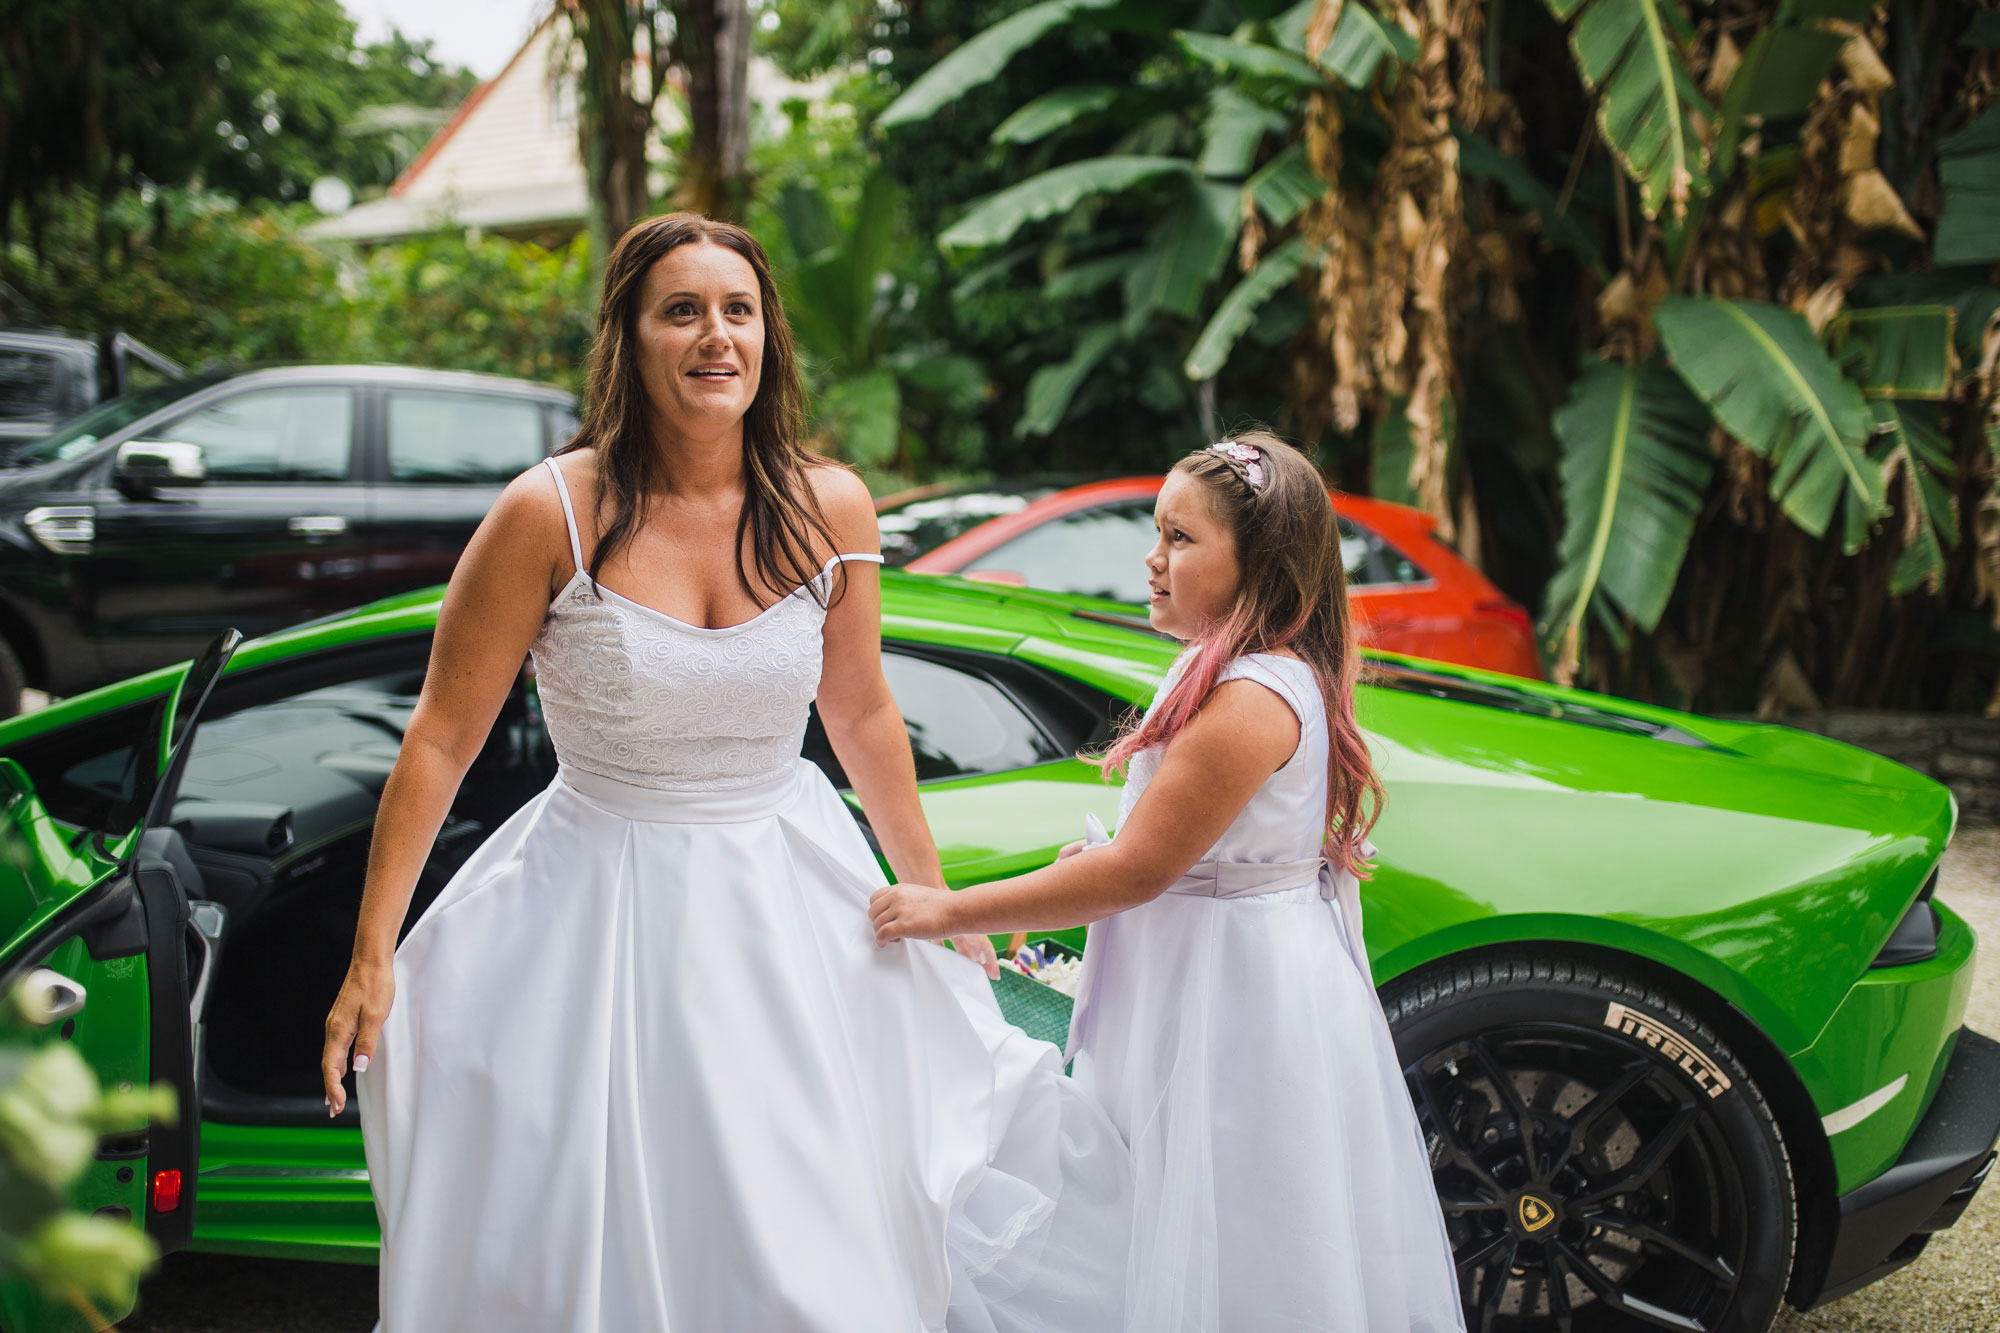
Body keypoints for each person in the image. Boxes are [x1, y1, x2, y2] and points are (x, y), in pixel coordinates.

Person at [320, 213, 1127, 1332]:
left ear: (767, 337)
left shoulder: (828, 505)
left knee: (810, 1227)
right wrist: (371, 954)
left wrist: (936, 896)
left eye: (737, 310)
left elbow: (857, 709)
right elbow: (442, 740)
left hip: (791, 903)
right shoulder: (546, 512)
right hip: (594, 915)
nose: (715, 336)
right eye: (681, 311)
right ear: (630, 339)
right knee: (593, 1223)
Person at [870, 432, 1466, 1332]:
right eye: (1157, 533)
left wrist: (945, 907)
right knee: (1164, 1206)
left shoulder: (1253, 699)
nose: (1152, 560)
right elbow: (1182, 851)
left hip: (1228, 1003)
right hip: (1202, 969)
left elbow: (1141, 870)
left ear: (1258, 565)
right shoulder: (1218, 668)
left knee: (1227, 1218)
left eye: (1180, 540)